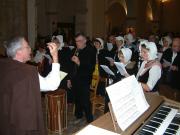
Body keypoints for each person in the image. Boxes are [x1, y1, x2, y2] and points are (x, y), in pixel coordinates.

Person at [0, 36, 61, 135]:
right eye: (27, 47)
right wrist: (55, 57)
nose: (30, 49)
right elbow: (52, 84)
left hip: (5, 120)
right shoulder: (28, 72)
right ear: (19, 51)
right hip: (22, 124)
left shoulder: (3, 65)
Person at [67, 33, 96, 123]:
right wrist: (69, 79)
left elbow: (91, 68)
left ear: (85, 40)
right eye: (76, 41)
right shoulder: (75, 50)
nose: (77, 43)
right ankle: (78, 115)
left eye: (79, 41)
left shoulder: (90, 51)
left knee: (85, 100)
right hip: (75, 78)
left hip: (84, 79)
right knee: (77, 98)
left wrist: (79, 62)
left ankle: (90, 120)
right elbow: (71, 67)